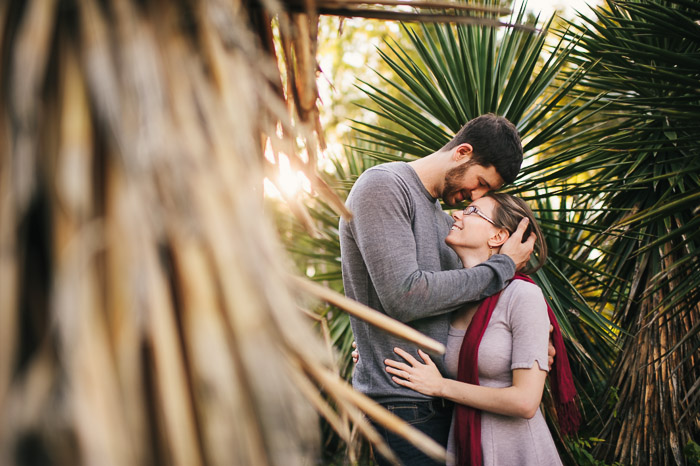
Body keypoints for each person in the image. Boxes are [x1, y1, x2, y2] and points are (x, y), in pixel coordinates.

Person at [339, 114, 537, 465]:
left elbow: (460, 298)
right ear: (462, 152)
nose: (472, 197)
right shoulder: (384, 187)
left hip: (440, 400)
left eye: (484, 193)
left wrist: (532, 343)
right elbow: (406, 295)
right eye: (479, 183)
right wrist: (504, 265)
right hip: (401, 402)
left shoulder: (443, 221)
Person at [385, 193, 579, 465]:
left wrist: (441, 386)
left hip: (516, 451)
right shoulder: (453, 299)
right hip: (464, 447)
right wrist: (374, 346)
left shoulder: (522, 296)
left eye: (472, 210)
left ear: (498, 236)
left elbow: (525, 402)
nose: (456, 215)